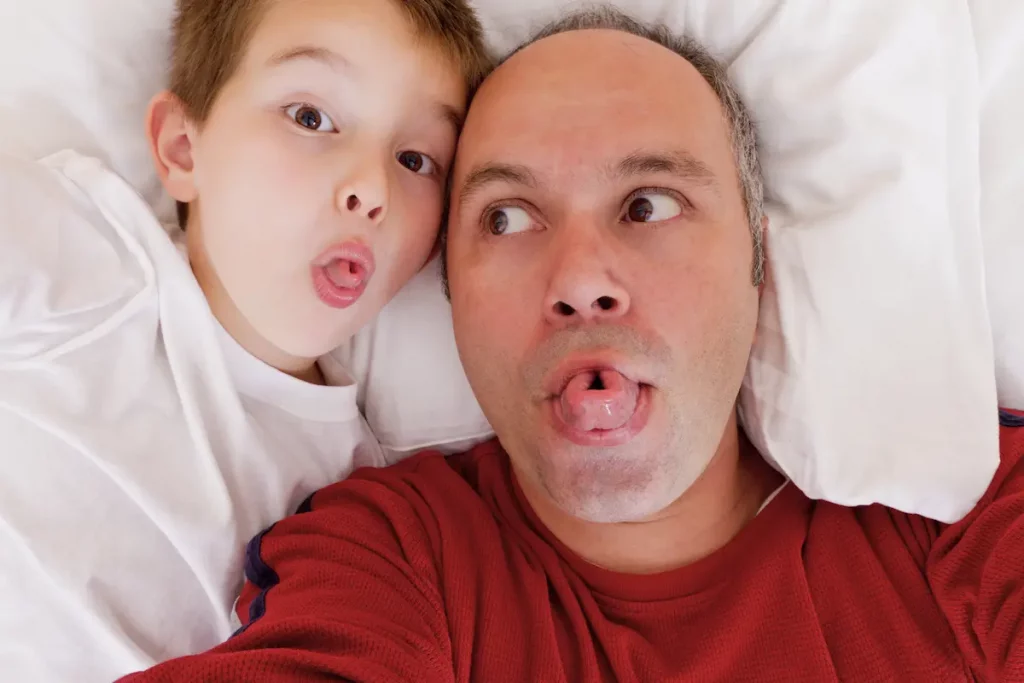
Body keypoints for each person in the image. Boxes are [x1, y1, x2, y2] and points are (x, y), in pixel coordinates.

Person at [119, 7, 1024, 683]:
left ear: (757, 257)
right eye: (508, 217)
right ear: (450, 290)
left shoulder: (965, 507)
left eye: (649, 204)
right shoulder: (393, 558)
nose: (581, 277)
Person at [0, 0, 489, 680]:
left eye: (415, 158)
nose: (371, 188)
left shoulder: (362, 496)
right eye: (311, 117)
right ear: (182, 148)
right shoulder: (95, 259)